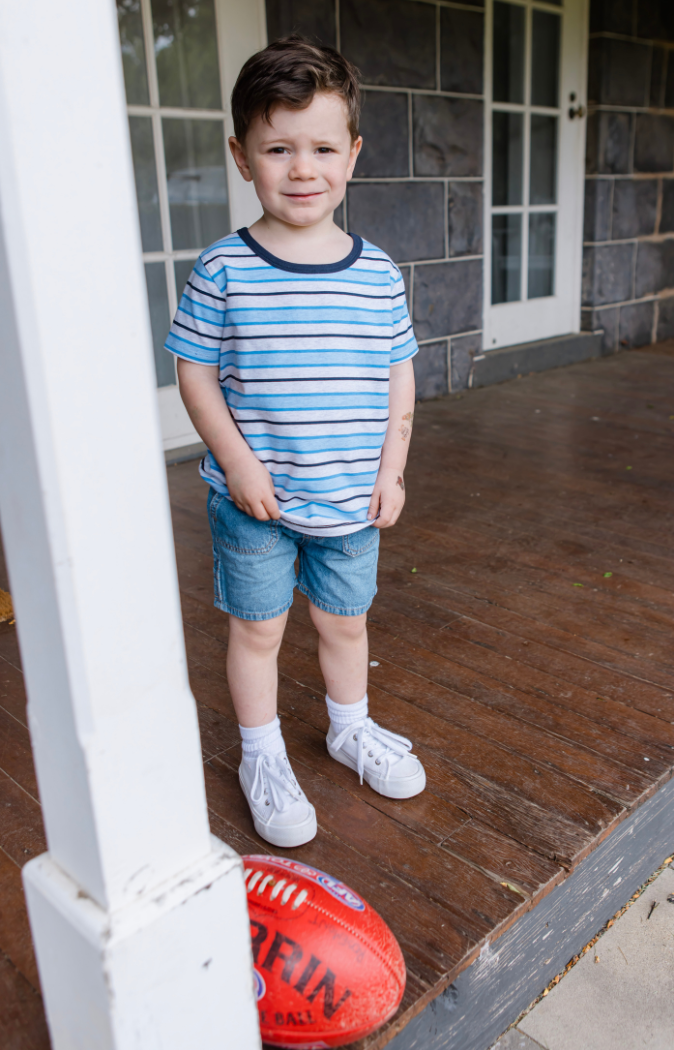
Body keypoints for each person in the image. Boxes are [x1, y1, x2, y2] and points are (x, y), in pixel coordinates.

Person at [167, 36, 425, 849]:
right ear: (243, 157)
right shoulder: (224, 270)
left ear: (352, 154)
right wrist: (238, 462)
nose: (302, 168)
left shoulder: (377, 273)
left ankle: (350, 729)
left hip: (351, 496)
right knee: (259, 629)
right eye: (279, 148)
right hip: (258, 501)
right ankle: (262, 753)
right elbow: (194, 372)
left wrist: (394, 473)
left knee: (345, 623)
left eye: (321, 148)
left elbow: (399, 380)